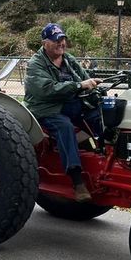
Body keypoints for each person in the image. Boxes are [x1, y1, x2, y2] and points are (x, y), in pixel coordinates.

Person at [24, 23, 102, 202]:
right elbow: (47, 90)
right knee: (64, 126)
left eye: (63, 39)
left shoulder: (68, 59)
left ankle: (107, 155)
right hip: (45, 108)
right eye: (56, 40)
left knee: (99, 114)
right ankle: (77, 180)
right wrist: (78, 85)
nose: (61, 43)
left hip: (69, 104)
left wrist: (94, 86)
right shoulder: (35, 64)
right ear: (45, 43)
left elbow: (84, 78)